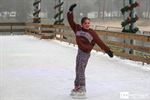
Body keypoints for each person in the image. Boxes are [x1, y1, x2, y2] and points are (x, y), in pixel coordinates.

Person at [67, 4, 113, 96]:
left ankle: (82, 88)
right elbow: (70, 21)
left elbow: (100, 42)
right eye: (85, 23)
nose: (87, 25)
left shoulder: (92, 33)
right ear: (82, 24)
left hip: (85, 53)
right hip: (79, 52)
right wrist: (70, 11)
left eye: (89, 23)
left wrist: (108, 51)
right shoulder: (77, 29)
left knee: (81, 70)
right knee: (77, 69)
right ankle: (77, 86)